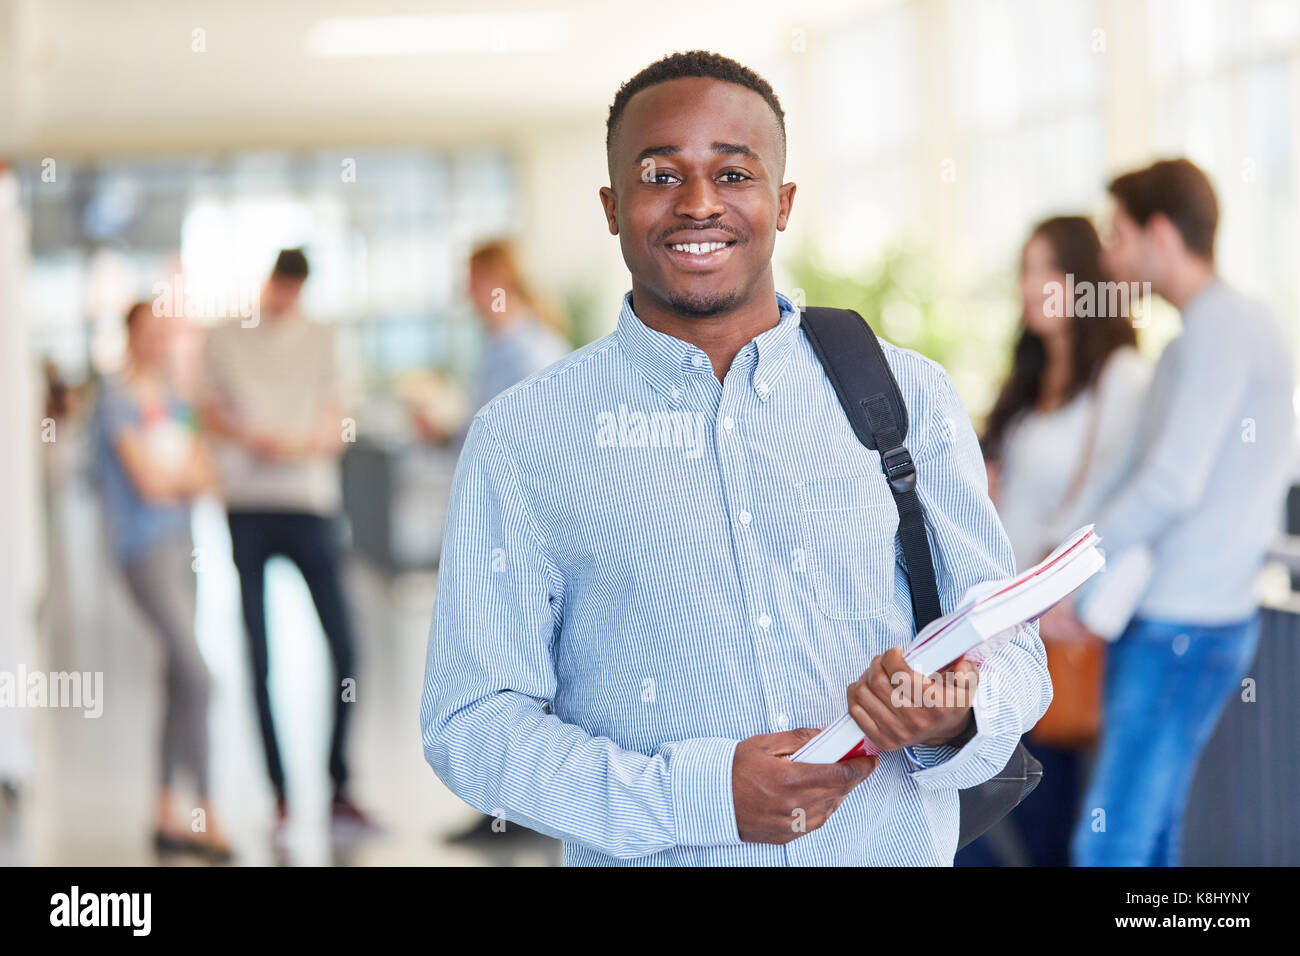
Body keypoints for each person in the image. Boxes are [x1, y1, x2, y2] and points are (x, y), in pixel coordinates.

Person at [420, 50, 1051, 865]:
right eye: (659, 175)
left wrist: (957, 710)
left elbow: (1011, 648)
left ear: (782, 202)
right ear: (612, 207)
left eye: (734, 173)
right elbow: (472, 723)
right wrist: (700, 795)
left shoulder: (909, 395)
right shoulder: (524, 439)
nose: (698, 204)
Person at [1054, 159, 1294, 866]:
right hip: (1186, 623)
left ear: (1160, 235)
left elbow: (1170, 485)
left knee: (1111, 843)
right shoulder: (1209, 332)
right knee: (1148, 837)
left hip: (1182, 629)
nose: (1107, 254)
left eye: (1116, 233)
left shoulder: (1221, 330)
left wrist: (1069, 576)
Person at [968, 216, 1150, 866]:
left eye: (1045, 269)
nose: (1029, 285)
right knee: (970, 804)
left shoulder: (1121, 380)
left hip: (1057, 625)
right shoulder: (1029, 377)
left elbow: (1124, 508)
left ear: (1082, 282)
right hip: (996, 621)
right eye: (1025, 269)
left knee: (1040, 812)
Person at [200, 249, 376, 834]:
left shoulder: (323, 339)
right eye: (279, 290)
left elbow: (338, 418)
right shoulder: (224, 340)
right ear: (269, 282)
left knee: (346, 648)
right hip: (248, 507)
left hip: (309, 505)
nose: (284, 302)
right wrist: (250, 436)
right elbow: (204, 411)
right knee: (258, 653)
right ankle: (278, 792)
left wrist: (302, 444)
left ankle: (338, 784)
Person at [95, 301, 231, 861]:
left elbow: (205, 474)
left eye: (162, 334)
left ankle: (165, 812)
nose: (156, 343)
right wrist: (177, 477)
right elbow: (148, 485)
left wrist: (174, 476)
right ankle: (205, 810)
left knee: (178, 678)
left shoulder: (177, 403)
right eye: (147, 334)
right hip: (142, 552)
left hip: (184, 549)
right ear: (129, 337)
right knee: (199, 675)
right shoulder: (115, 402)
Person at [411, 240, 571, 447]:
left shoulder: (532, 353)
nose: (468, 296)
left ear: (496, 283)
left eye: (473, 284)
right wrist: (444, 435)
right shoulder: (498, 347)